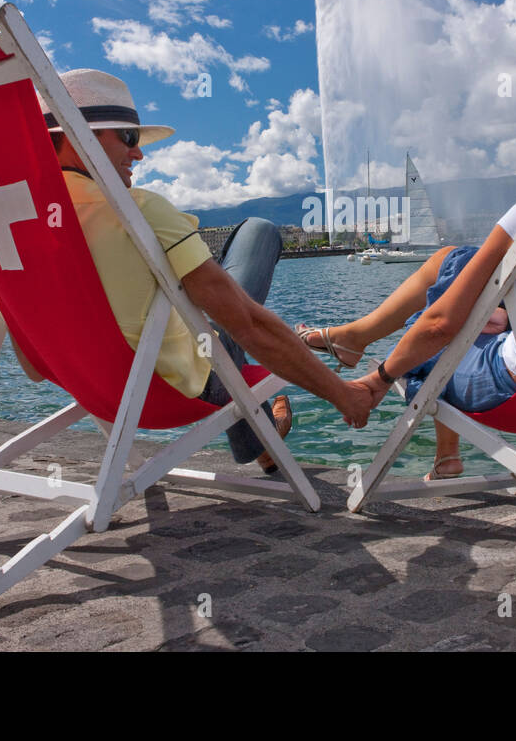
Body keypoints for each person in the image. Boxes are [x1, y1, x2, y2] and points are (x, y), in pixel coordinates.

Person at [26, 69, 374, 473]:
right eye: (129, 137)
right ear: (77, 135)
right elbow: (247, 323)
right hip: (171, 388)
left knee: (211, 308)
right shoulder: (137, 210)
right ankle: (256, 431)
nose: (138, 153)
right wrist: (343, 395)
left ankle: (255, 414)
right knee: (258, 235)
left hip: (82, 381)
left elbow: (37, 356)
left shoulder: (19, 221)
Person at [298, 87, 516, 479]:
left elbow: (439, 326)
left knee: (429, 325)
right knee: (455, 261)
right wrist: (504, 316)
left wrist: (379, 380)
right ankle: (363, 348)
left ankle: (356, 342)